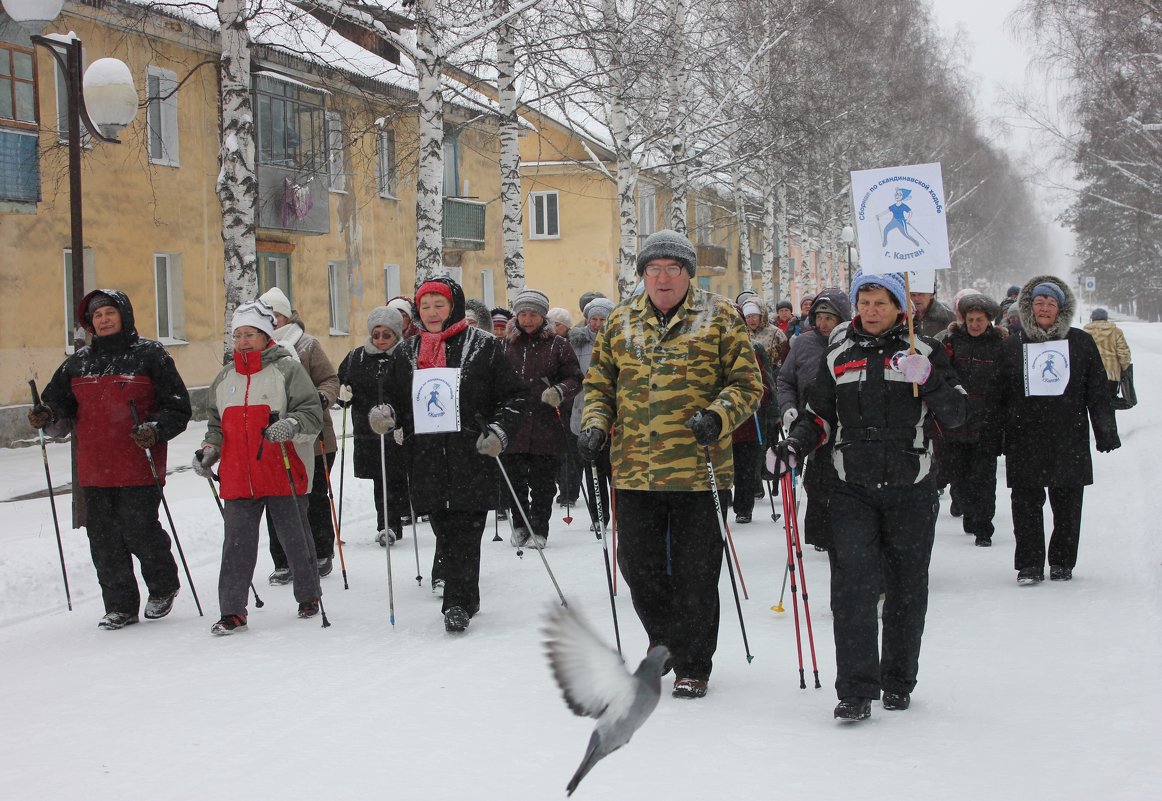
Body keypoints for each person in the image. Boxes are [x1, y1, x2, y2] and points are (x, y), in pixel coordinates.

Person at [578, 229, 763, 699]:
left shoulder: (720, 318)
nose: (662, 278)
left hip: (698, 472)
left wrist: (717, 416)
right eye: (653, 270)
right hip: (635, 470)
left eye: (672, 269)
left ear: (688, 274)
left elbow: (747, 385)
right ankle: (664, 638)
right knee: (637, 565)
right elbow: (599, 386)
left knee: (695, 572)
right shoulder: (620, 321)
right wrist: (596, 424)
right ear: (642, 275)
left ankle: (694, 663)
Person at [775, 271, 966, 721]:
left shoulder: (926, 349)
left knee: (905, 587)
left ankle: (898, 680)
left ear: (901, 307)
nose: (871, 311)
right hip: (851, 487)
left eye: (881, 303)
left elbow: (958, 415)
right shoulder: (839, 352)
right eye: (864, 303)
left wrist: (932, 381)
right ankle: (857, 690)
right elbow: (819, 414)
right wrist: (794, 445)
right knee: (852, 590)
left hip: (911, 486)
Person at [30, 289, 191, 630]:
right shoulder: (77, 363)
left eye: (108, 313)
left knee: (139, 530)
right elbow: (57, 407)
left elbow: (178, 407)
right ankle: (120, 605)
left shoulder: (150, 355)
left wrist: (155, 428)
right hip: (93, 467)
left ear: (123, 315)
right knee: (103, 540)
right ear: (89, 323)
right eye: (96, 316)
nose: (103, 320)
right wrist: (47, 415)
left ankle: (163, 586)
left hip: (137, 463)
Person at [374, 277, 528, 632]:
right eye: (425, 306)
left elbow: (514, 396)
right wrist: (387, 415)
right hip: (425, 455)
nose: (431, 313)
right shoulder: (406, 352)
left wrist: (499, 431)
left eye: (439, 305)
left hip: (472, 452)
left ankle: (458, 602)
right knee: (444, 527)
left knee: (466, 528)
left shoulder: (485, 347)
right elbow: (396, 398)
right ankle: (459, 590)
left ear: (454, 307)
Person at [192, 300, 325, 635]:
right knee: (236, 546)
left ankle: (309, 596)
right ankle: (232, 611)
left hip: (282, 467)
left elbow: (312, 413)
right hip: (239, 476)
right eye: (238, 335)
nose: (243, 341)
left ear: (267, 337)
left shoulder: (288, 370)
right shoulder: (225, 377)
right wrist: (210, 450)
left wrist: (292, 425)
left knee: (295, 540)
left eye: (250, 334)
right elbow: (215, 424)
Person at [984, 277, 1120, 585]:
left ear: (1061, 309)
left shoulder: (1081, 342)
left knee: (1068, 505)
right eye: (1039, 302)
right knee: (1026, 504)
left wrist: (1105, 431)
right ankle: (1029, 564)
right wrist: (993, 436)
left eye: (1051, 303)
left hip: (1067, 436)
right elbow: (997, 396)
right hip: (1024, 436)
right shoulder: (1012, 345)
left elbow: (1097, 390)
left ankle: (1062, 562)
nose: (1044, 308)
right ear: (1029, 307)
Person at [258, 287, 340, 583]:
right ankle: (283, 559)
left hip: (314, 437)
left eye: (275, 315)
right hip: (274, 439)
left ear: (286, 315)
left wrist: (320, 398)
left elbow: (330, 379)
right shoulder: (256, 348)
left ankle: (320, 552)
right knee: (277, 501)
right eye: (265, 316)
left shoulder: (307, 345)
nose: (272, 321)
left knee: (314, 496)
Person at [501, 289, 582, 547]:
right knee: (515, 481)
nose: (527, 319)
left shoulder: (558, 344)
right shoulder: (505, 344)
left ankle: (539, 528)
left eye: (532, 314)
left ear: (542, 316)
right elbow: (494, 381)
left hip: (547, 424)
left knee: (543, 482)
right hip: (514, 422)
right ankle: (520, 524)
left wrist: (560, 391)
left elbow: (575, 378)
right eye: (522, 313)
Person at [775, 287, 851, 554]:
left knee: (840, 479)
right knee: (815, 480)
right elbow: (785, 379)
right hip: (808, 423)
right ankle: (820, 534)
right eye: (819, 317)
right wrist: (787, 407)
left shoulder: (851, 343)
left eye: (829, 318)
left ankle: (842, 532)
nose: (822, 323)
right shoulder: (804, 343)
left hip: (844, 424)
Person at [936, 293, 1005, 546]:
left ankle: (984, 527)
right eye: (971, 319)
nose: (975, 324)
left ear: (990, 321)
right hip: (957, 421)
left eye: (980, 319)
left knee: (984, 477)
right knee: (960, 474)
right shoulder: (953, 342)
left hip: (987, 422)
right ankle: (968, 512)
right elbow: (943, 374)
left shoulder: (1000, 346)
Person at [337, 307, 409, 548]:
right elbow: (341, 386)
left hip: (398, 430)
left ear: (397, 335)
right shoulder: (356, 357)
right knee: (381, 478)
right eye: (376, 334)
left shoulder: (406, 355)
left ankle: (394, 521)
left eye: (386, 335)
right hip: (367, 431)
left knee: (396, 477)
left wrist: (403, 418)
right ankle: (386, 525)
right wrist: (343, 395)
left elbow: (411, 392)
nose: (380, 340)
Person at [570, 296, 615, 532]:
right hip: (585, 410)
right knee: (592, 469)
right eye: (593, 319)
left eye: (602, 319)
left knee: (614, 470)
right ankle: (598, 516)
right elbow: (569, 372)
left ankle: (618, 514)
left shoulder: (617, 341)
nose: (597, 324)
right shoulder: (577, 343)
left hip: (613, 416)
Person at [1083, 308, 1132, 406]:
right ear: (1106, 318)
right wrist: (1124, 367)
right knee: (1108, 408)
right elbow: (1124, 353)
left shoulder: (1085, 332)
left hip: (1091, 375)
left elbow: (1081, 353)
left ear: (1092, 318)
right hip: (1111, 375)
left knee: (1093, 405)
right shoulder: (1115, 331)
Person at [742, 297, 789, 367]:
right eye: (748, 317)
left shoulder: (776, 333)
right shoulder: (742, 333)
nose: (751, 320)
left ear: (762, 316)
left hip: (772, 374)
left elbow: (786, 357)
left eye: (754, 316)